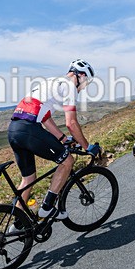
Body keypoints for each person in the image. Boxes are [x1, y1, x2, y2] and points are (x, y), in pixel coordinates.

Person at [8, 59, 100, 219]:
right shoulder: (70, 86)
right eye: (87, 82)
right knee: (67, 161)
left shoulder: (51, 82)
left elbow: (45, 117)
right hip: (29, 129)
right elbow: (71, 123)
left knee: (28, 179)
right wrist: (87, 147)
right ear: (81, 76)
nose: (85, 86)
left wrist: (63, 138)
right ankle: (47, 207)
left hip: (14, 130)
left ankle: (18, 222)